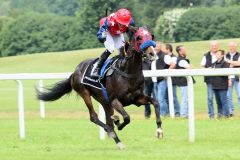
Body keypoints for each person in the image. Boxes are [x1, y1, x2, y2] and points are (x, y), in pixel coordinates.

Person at [92, 8, 135, 78]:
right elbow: (99, 35)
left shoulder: (131, 21)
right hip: (108, 31)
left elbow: (132, 35)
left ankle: (125, 67)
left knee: (123, 50)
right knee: (110, 48)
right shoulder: (109, 21)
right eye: (120, 23)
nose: (122, 25)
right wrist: (102, 37)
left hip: (117, 33)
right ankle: (97, 69)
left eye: (124, 24)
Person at [152, 42, 175, 116]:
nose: (156, 47)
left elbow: (173, 64)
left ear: (160, 47)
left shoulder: (164, 55)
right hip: (154, 80)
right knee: (158, 99)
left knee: (160, 99)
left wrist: (167, 72)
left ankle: (163, 114)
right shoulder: (152, 54)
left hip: (161, 80)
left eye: (157, 46)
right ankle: (164, 113)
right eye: (155, 46)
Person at [200, 41, 218, 119]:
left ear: (218, 46)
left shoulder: (221, 54)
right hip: (210, 80)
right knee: (210, 98)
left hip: (220, 80)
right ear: (210, 47)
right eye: (213, 46)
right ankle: (211, 115)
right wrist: (207, 69)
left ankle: (221, 114)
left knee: (219, 97)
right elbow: (202, 66)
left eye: (215, 46)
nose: (214, 47)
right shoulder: (206, 55)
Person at [175, 45, 194, 118]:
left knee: (186, 98)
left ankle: (185, 114)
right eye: (184, 50)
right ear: (180, 51)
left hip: (184, 82)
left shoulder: (181, 60)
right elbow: (190, 67)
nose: (185, 51)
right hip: (184, 82)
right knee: (185, 98)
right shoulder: (182, 60)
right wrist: (190, 66)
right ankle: (183, 114)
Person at [211, 50, 230, 118]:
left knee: (223, 101)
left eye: (218, 54)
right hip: (215, 85)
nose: (217, 55)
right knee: (218, 102)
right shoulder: (214, 64)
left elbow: (227, 73)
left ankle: (226, 115)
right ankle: (220, 115)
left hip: (222, 85)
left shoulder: (225, 63)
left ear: (222, 55)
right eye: (216, 54)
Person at [163, 43, 180, 116]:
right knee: (166, 97)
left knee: (173, 97)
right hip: (166, 80)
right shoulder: (165, 56)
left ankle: (177, 112)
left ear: (168, 49)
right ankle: (169, 112)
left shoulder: (174, 57)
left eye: (164, 49)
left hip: (172, 80)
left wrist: (166, 73)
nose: (163, 50)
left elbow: (173, 65)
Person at [225, 42, 240, 117]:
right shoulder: (225, 55)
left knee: (239, 95)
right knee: (228, 96)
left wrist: (230, 62)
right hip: (229, 78)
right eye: (230, 46)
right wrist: (235, 63)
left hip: (238, 78)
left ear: (235, 47)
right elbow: (224, 65)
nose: (231, 48)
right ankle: (231, 111)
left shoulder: (239, 54)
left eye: (232, 46)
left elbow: (239, 63)